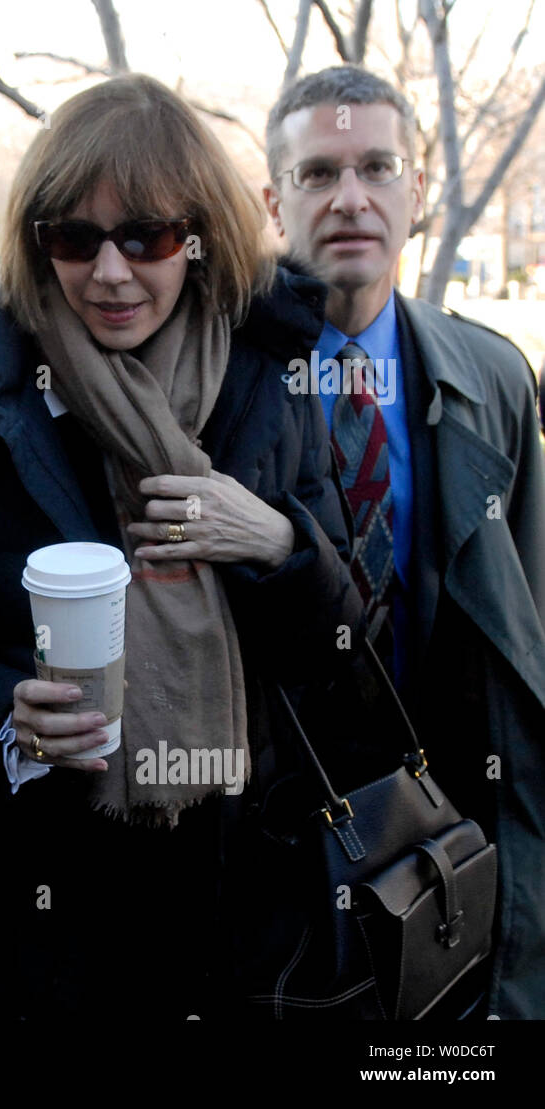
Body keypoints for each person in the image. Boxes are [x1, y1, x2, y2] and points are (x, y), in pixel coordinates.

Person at [0, 74, 361, 1019]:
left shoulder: (268, 381)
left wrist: (279, 540)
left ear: (200, 235)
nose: (112, 272)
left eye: (148, 236)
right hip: (16, 938)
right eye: (75, 238)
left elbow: (339, 646)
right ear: (38, 243)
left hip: (230, 924)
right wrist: (8, 712)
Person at [263, 65, 545, 1020]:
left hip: (452, 852)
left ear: (417, 192)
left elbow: (528, 633)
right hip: (281, 868)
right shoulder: (220, 378)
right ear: (274, 200)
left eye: (378, 167)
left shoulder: (494, 379)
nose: (350, 197)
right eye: (317, 174)